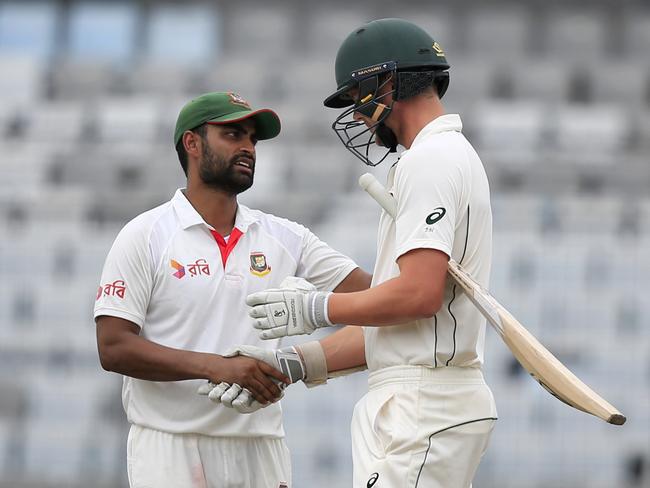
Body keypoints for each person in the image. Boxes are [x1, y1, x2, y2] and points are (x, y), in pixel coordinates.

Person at [217, 18, 498, 488]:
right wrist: (294, 364)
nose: (359, 116)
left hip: (424, 405)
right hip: (417, 401)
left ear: (385, 82)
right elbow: (402, 328)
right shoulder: (434, 158)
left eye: (356, 99)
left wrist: (316, 306)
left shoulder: (432, 160)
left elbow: (419, 295)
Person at [94, 91, 371, 488]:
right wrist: (219, 367)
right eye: (233, 135)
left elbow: (378, 301)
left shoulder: (288, 237)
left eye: (253, 139)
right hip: (170, 446)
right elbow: (113, 347)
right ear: (192, 143)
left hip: (260, 443)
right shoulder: (145, 235)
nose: (248, 148)